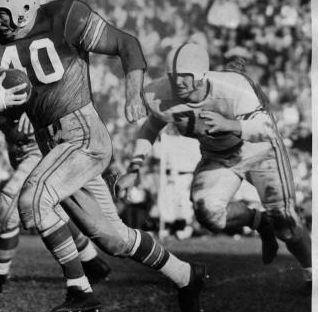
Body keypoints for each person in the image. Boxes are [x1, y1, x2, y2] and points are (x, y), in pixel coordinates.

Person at [0, 0, 205, 312]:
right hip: (52, 144)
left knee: (33, 199)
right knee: (112, 238)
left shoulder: (65, 17)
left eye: (1, 12)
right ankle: (186, 276)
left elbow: (127, 45)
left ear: (24, 5)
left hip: (83, 134)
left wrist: (133, 93)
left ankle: (80, 290)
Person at [115, 41, 311, 291]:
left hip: (259, 151)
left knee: (285, 224)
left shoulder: (231, 87)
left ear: (202, 76)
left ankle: (311, 272)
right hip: (218, 155)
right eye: (174, 77)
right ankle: (259, 222)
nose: (179, 83)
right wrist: (134, 168)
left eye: (186, 77)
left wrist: (231, 125)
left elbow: (267, 129)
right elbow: (152, 125)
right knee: (207, 211)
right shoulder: (161, 93)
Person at [0, 15, 113, 296]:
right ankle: (92, 262)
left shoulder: (15, 65)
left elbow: (54, 85)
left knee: (8, 207)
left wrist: (35, 108)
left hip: (41, 147)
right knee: (51, 210)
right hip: (17, 147)